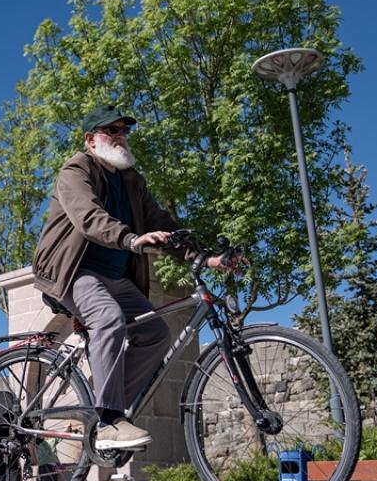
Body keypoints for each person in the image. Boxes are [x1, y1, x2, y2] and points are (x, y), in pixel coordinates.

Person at [32, 105, 231, 451]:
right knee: (108, 318)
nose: (121, 137)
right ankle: (108, 421)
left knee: (155, 332)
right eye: (112, 131)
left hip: (113, 276)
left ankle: (100, 408)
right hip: (73, 271)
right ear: (91, 140)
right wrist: (130, 239)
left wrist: (206, 256)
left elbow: (163, 223)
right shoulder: (76, 170)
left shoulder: (132, 181)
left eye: (124, 131)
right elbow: (88, 216)